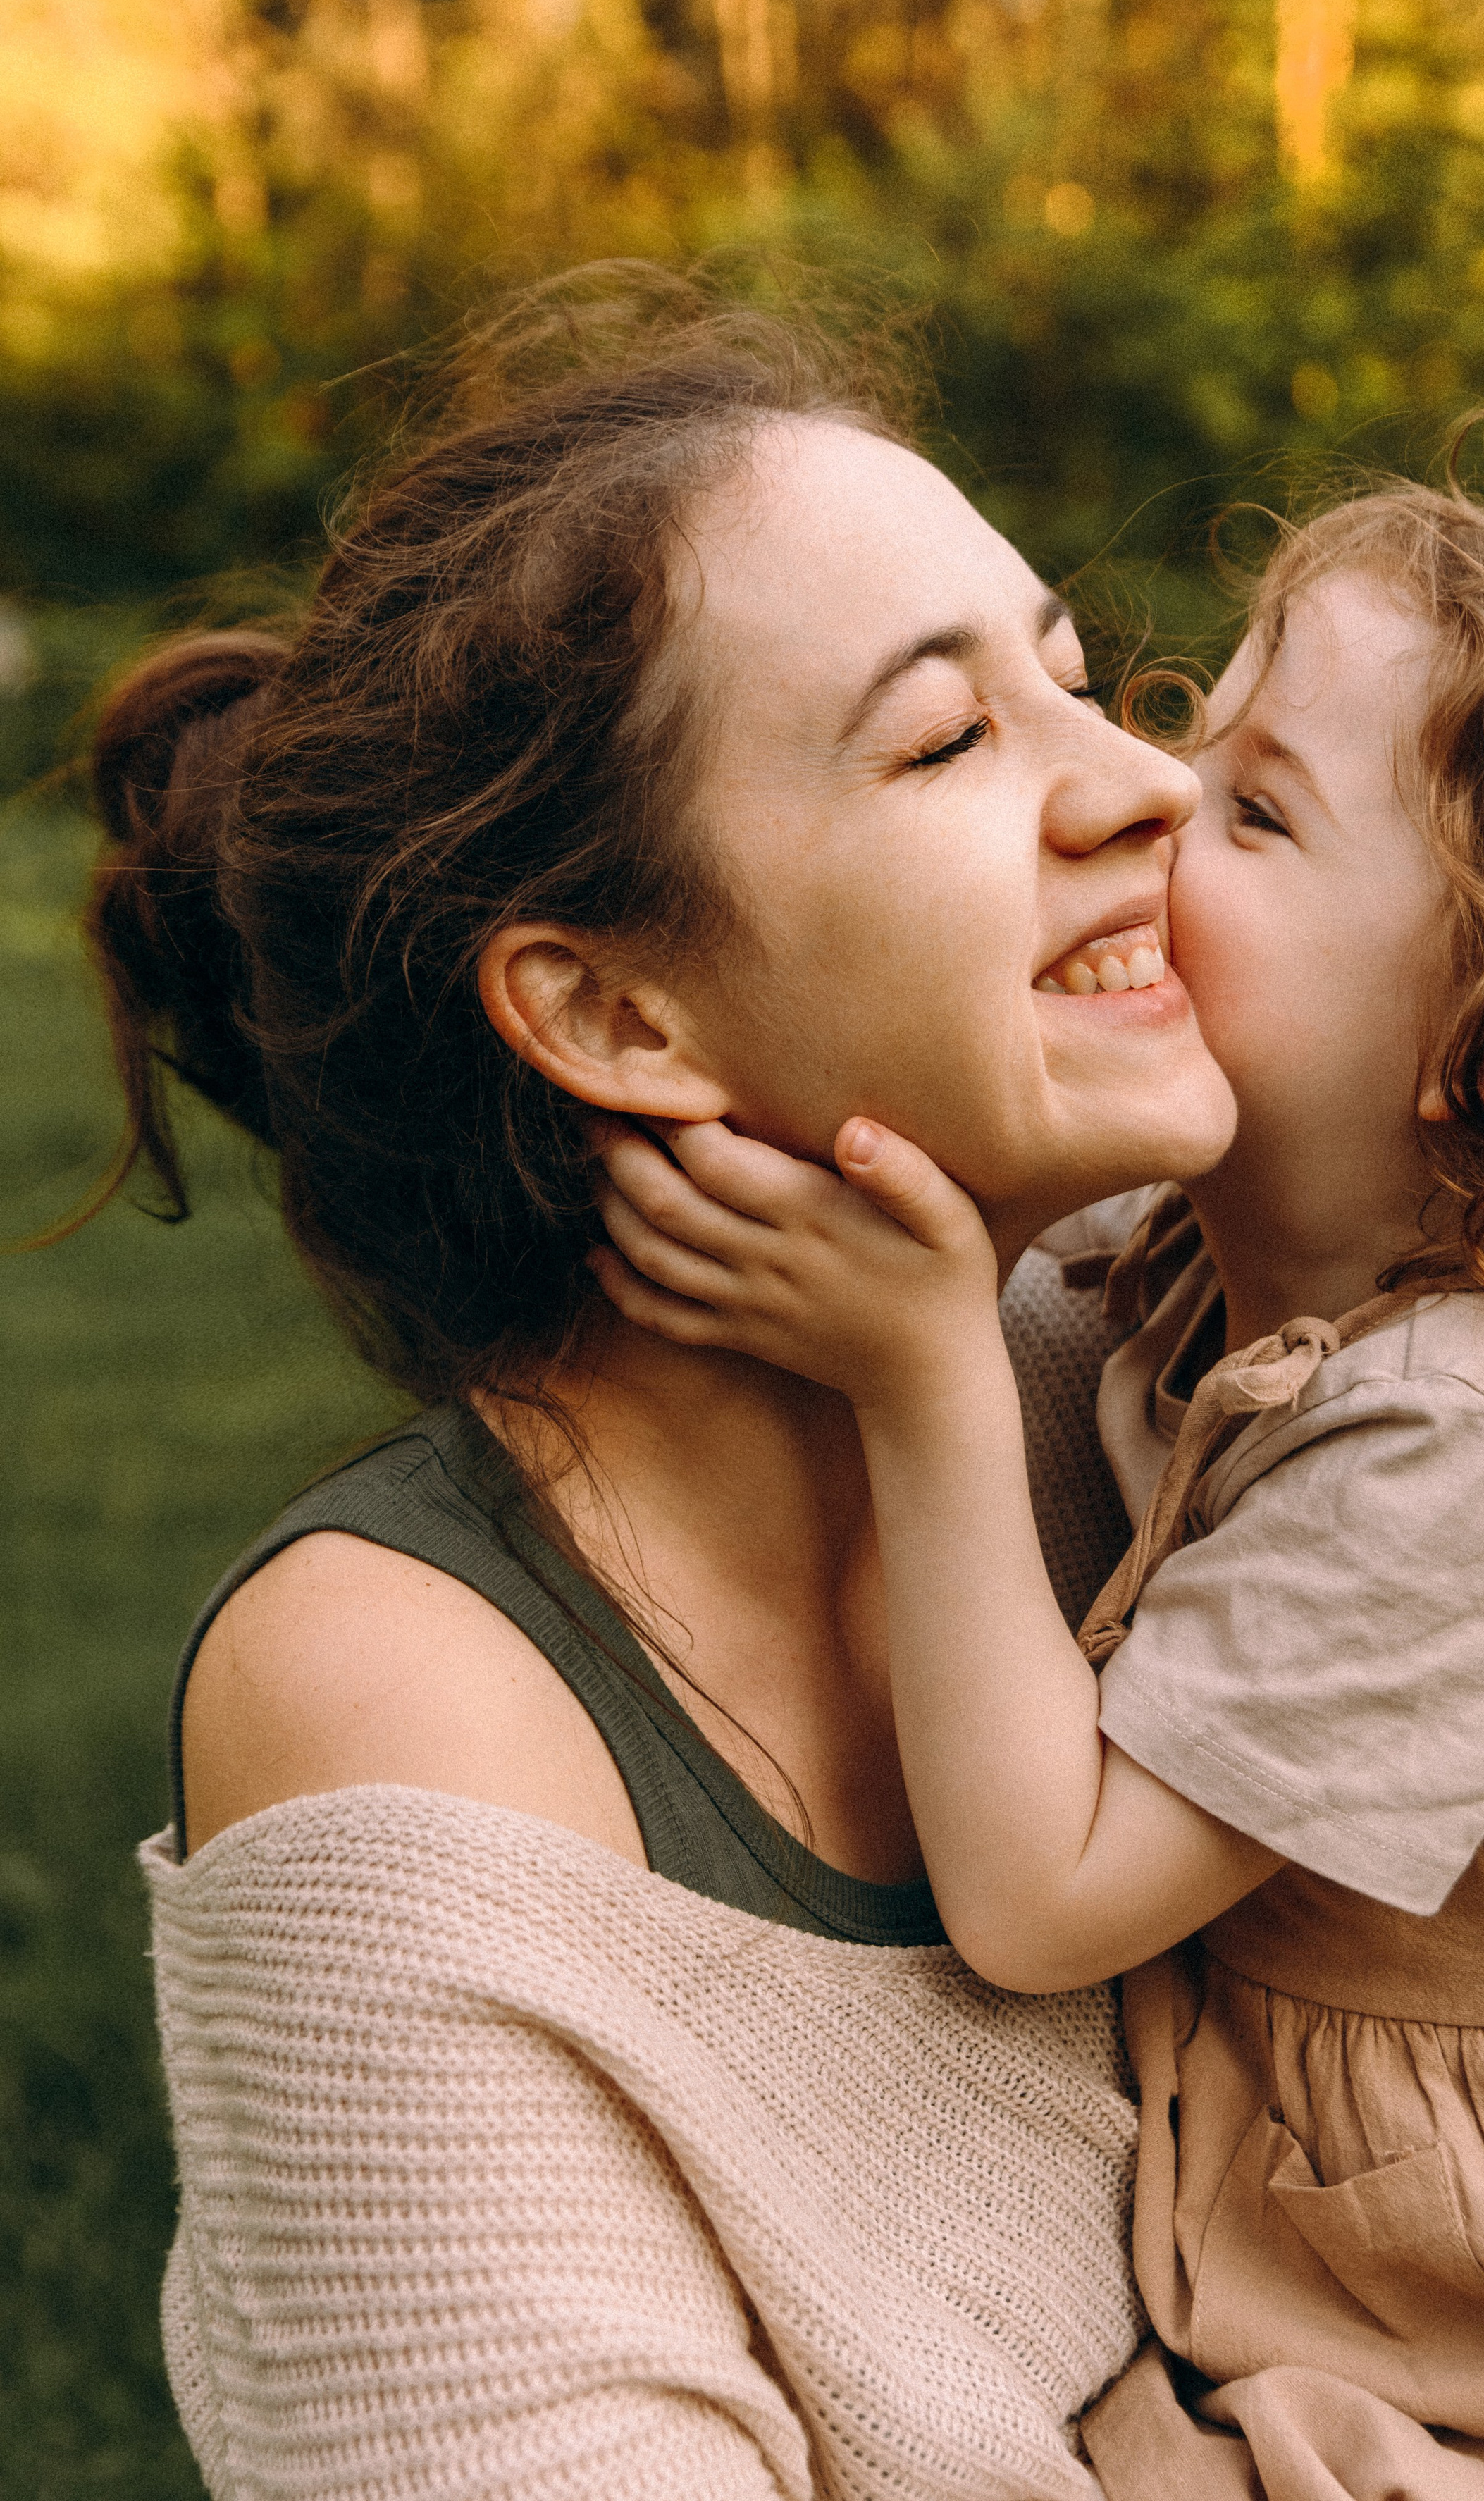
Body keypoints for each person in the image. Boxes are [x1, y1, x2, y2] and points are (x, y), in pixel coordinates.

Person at [84, 265, 1246, 2498]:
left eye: (1080, 684)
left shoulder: (1173, 1375)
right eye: (946, 740)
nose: (1150, 785)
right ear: (616, 1016)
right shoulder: (406, 1708)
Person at [589, 481, 1484, 2498]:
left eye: (1256, 811)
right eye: (1194, 731)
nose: (1150, 795)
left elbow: (1046, 1899)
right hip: (1378, 2214)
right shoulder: (1244, 1245)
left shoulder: (1483, 1442)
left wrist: (925, 1375)